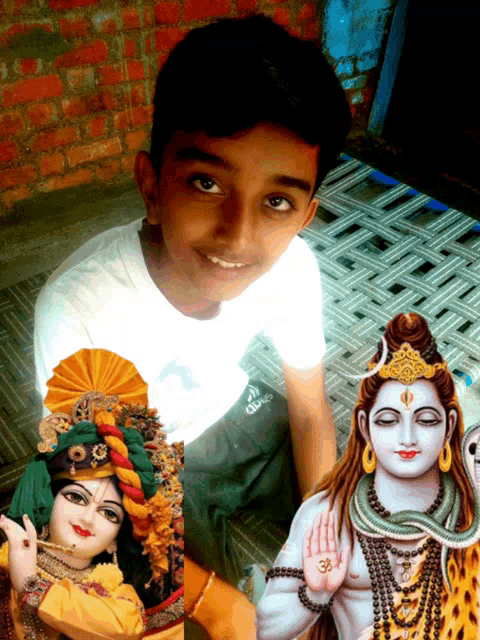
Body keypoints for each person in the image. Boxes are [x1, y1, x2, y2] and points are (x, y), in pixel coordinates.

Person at [33, 12, 351, 636]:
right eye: (206, 182)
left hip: (233, 420)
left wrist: (325, 541)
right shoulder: (81, 310)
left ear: (307, 215)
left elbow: (311, 412)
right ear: (151, 186)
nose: (239, 235)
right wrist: (213, 601)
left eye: (277, 201)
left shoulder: (292, 268)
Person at [256, 312, 480, 640]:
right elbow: (266, 629)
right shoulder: (326, 514)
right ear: (364, 426)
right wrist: (315, 593)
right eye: (388, 420)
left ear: (448, 426)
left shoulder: (468, 512)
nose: (407, 439)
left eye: (426, 420)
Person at [0, 348, 183, 640]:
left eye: (109, 513)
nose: (87, 518)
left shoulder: (116, 599)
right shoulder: (8, 558)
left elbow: (123, 627)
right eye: (76, 497)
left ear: (115, 541)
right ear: (51, 501)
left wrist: (31, 586)